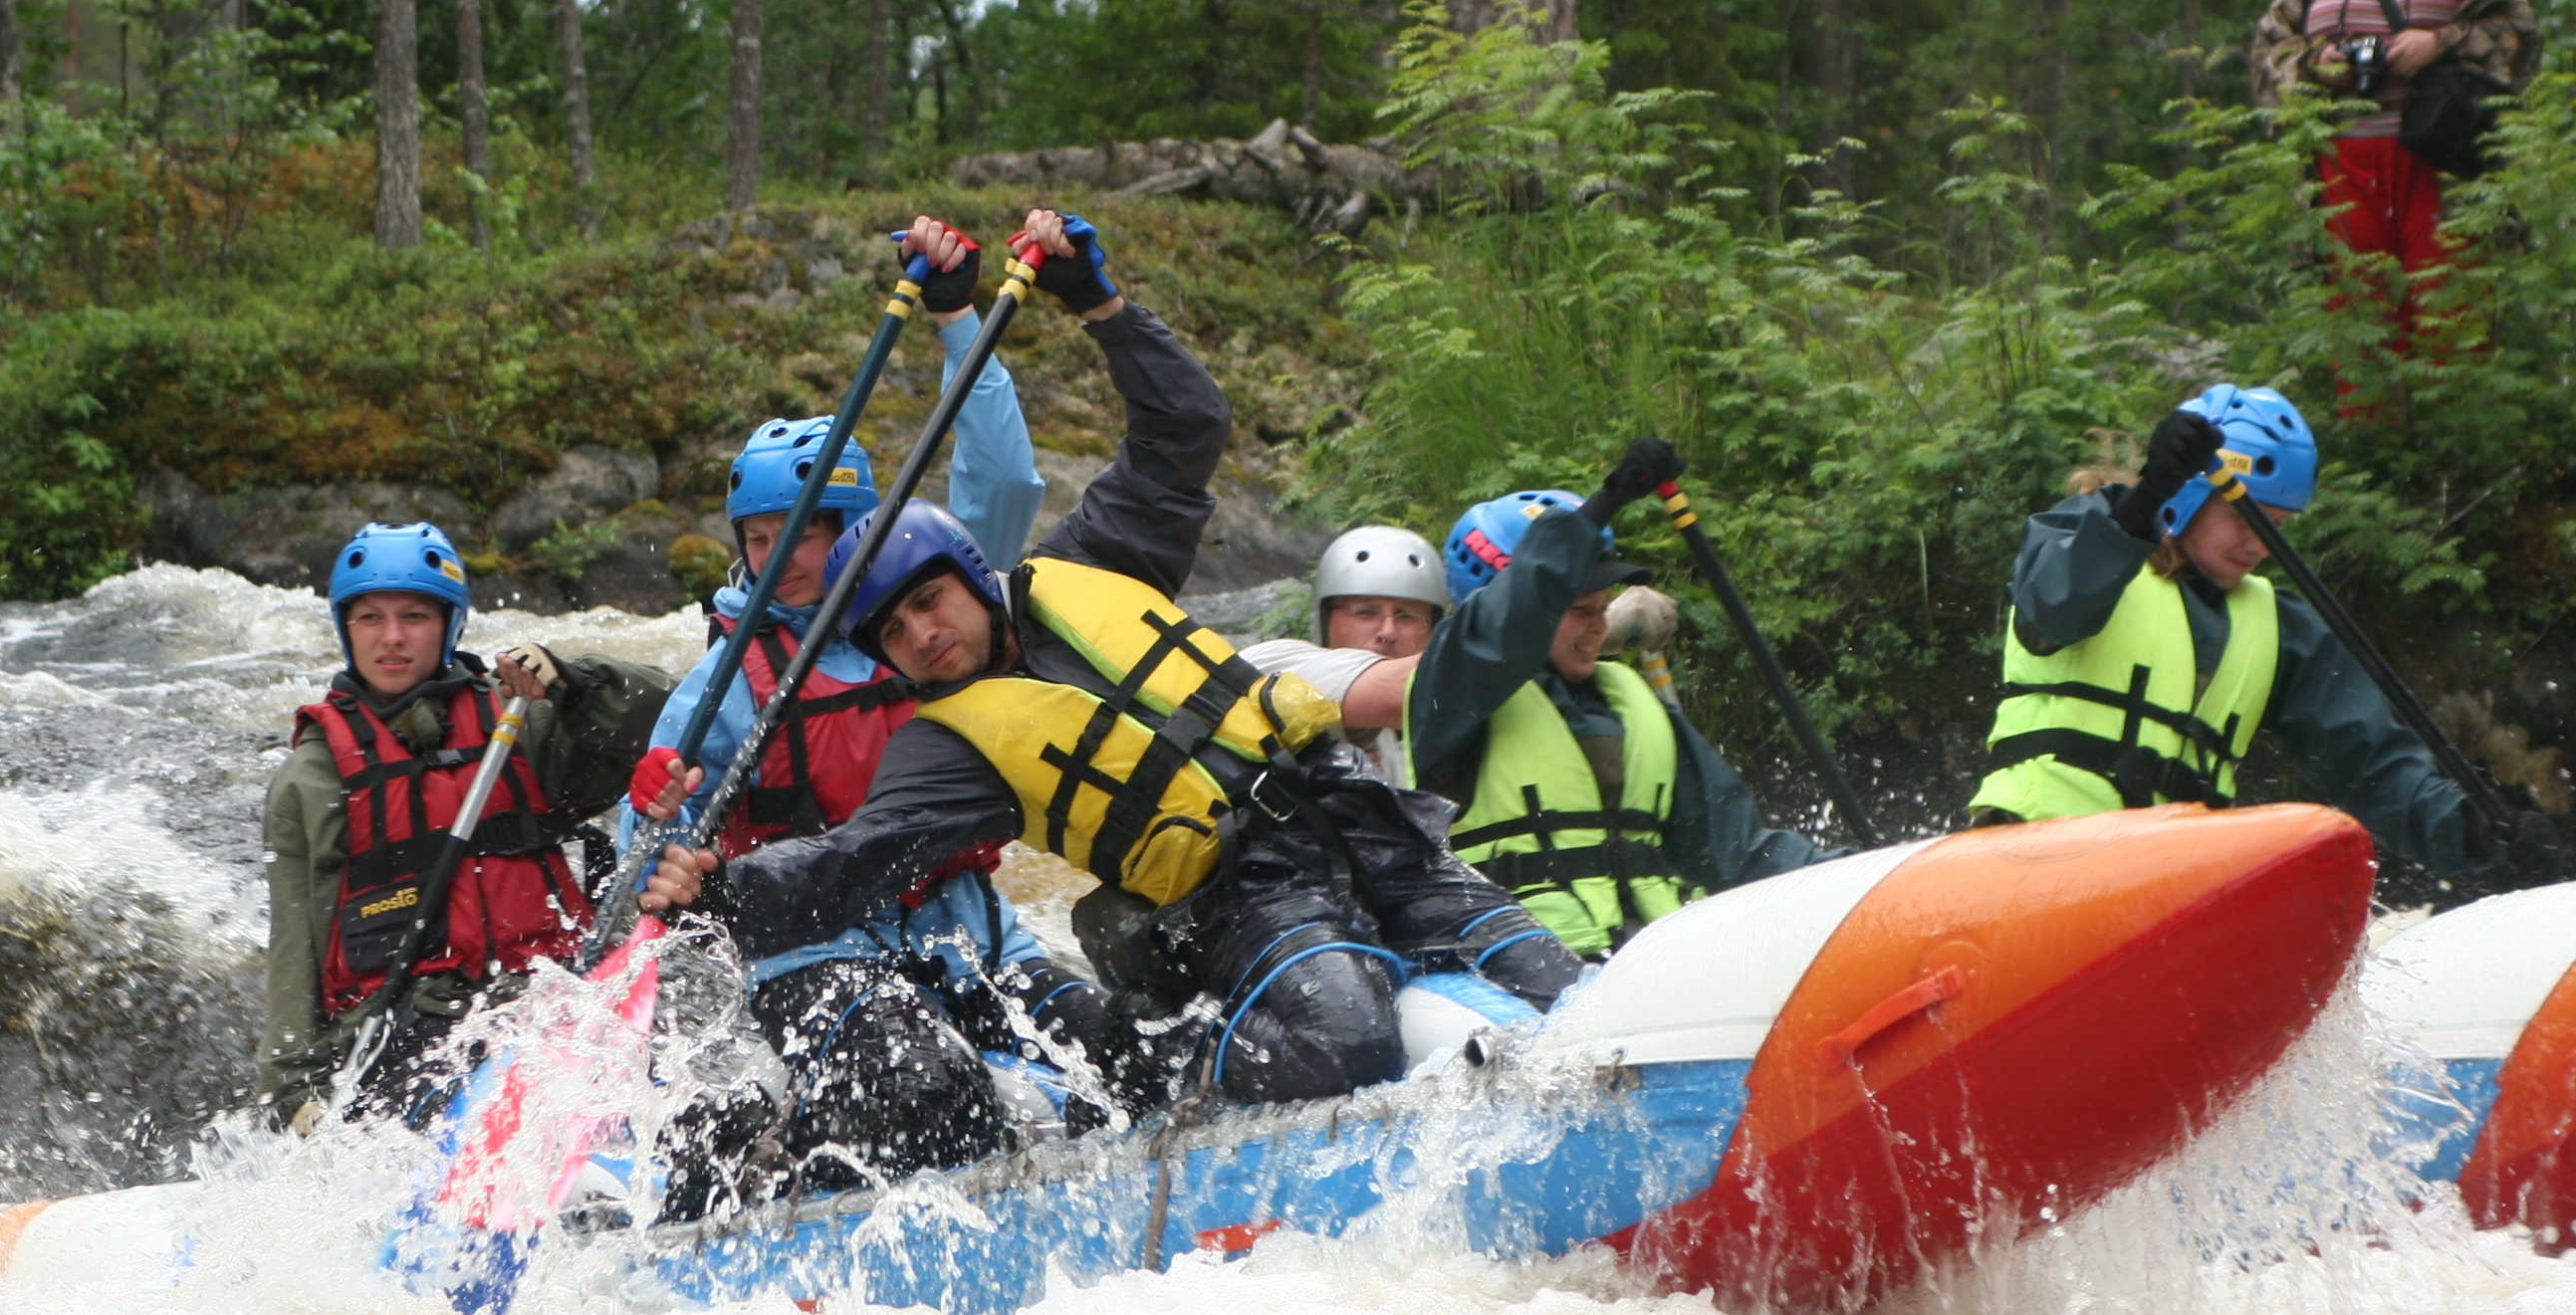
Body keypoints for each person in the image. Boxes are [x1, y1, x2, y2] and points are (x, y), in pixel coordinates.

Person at [638, 209, 1581, 1117]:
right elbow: (852, 860)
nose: (921, 636)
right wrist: (714, 888)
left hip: (1363, 817)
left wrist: (1102, 306)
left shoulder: (1087, 563)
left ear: (966, 572)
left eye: (928, 603)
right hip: (1238, 894)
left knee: (1564, 992)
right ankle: (1187, 1082)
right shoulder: (950, 745)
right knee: (1350, 1044)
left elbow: (1183, 434)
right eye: (892, 632)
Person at [637, 217, 1105, 1211]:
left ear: (860, 527)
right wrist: (667, 845)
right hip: (816, 950)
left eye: (811, 530)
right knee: (935, 1094)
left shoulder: (929, 615)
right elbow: (662, 845)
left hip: (968, 928)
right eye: (761, 538)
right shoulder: (720, 685)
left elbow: (1006, 481)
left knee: (1121, 1060)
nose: (786, 558)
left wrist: (953, 319)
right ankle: (778, 1154)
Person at [1969, 383, 2549, 875]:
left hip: (2162, 875)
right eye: (2246, 518)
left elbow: (2370, 764)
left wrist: (2473, 828)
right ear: (2193, 493)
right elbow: (2053, 611)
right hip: (2032, 853)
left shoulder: (2280, 625)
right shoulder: (2081, 533)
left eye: (2276, 526)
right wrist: (2147, 497)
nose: (2259, 545)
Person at [259, 522, 682, 1129]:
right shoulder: (312, 779)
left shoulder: (518, 721)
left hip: (541, 998)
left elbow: (670, 719)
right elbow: (294, 944)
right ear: (344, 629)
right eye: (370, 619)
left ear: (451, 623)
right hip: (404, 1033)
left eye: (415, 616)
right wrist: (293, 1089)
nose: (393, 638)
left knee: (666, 1097)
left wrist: (576, 683)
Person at [1406, 447, 1839, 961]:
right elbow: (1515, 616)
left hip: (1653, 959)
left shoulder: (1628, 702)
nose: (1599, 626)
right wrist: (1610, 500)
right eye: (1577, 609)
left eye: (1601, 608)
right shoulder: (1452, 688)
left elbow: (1739, 852)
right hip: (1517, 966)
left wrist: (1864, 873)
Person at [2247, 0, 2542, 356]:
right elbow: (2267, 56)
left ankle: (2454, 435)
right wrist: (2319, 63)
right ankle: (2369, 438)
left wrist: (2442, 42)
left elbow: (2521, 42)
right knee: (2360, 320)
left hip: (2445, 166)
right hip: (2344, 166)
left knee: (2453, 319)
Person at [1234, 526, 1450, 788]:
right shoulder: (1278, 665)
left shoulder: (1394, 739)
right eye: (1366, 613)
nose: (1388, 632)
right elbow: (1429, 685)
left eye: (1407, 616)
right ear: (1326, 621)